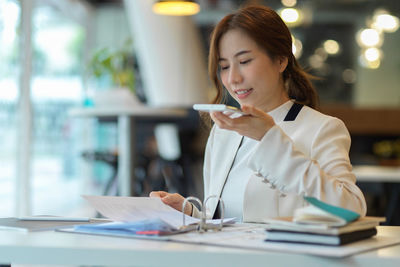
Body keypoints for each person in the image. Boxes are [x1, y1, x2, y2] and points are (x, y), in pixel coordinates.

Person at [150, 5, 367, 222]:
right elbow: (227, 220)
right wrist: (191, 213)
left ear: (281, 60)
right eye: (224, 66)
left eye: (244, 62)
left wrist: (270, 138)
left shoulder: (321, 128)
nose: (233, 78)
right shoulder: (223, 132)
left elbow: (351, 209)